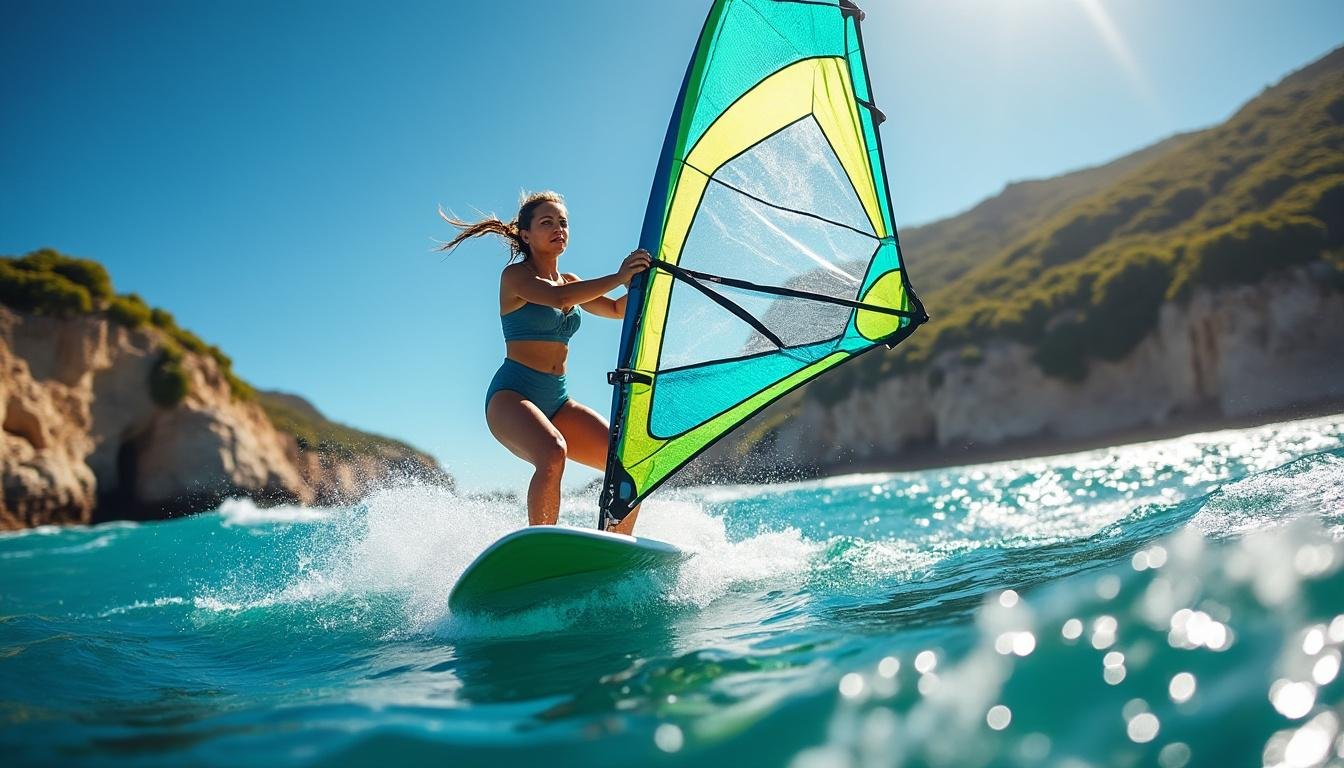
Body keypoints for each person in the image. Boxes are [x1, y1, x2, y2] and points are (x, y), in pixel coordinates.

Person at [441, 191, 650, 533]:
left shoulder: (570, 281)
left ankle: (615, 544)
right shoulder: (515, 278)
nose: (558, 228)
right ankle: (541, 548)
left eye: (563, 222)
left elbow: (615, 309)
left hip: (558, 400)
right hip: (512, 396)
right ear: (526, 235)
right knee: (552, 453)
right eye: (547, 222)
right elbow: (559, 299)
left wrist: (648, 279)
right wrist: (619, 275)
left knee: (626, 464)